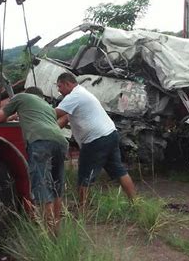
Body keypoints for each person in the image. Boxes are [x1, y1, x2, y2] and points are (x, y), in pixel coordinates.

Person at [55, 72, 136, 207]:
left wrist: (35, 116)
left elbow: (55, 113)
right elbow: (64, 119)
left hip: (95, 140)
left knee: (84, 176)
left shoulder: (74, 95)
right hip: (110, 134)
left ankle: (82, 210)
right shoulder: (81, 93)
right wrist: (52, 129)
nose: (58, 90)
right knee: (118, 170)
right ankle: (135, 202)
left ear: (67, 84)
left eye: (59, 86)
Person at [0, 87, 68, 233]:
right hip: (60, 142)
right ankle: (57, 227)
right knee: (56, 185)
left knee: (42, 185)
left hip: (40, 142)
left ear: (28, 94)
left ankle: (49, 233)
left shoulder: (20, 97)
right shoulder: (48, 107)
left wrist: (11, 116)